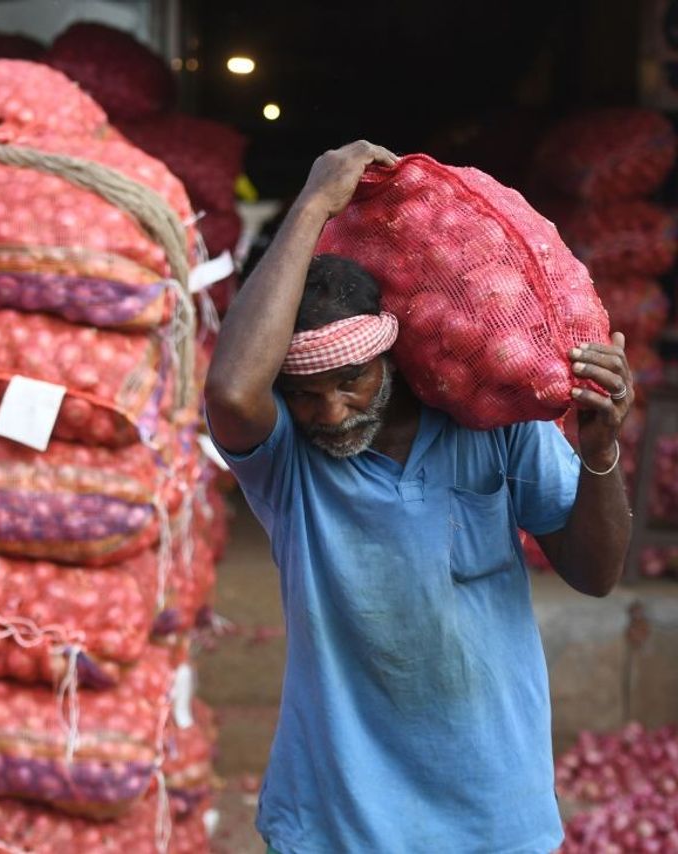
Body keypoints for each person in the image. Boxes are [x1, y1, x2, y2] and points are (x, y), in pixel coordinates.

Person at [204, 140, 634, 853]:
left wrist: (598, 453)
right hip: (338, 825)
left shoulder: (494, 430)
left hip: (495, 815)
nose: (332, 413)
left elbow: (596, 573)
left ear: (393, 359)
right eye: (305, 396)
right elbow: (229, 390)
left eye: (351, 382)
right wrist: (313, 202)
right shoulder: (289, 466)